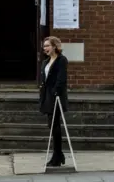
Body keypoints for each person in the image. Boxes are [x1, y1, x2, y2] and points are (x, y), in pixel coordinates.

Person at [39, 36, 69, 167]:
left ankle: (57, 155)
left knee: (54, 125)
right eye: (44, 46)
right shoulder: (45, 62)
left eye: (47, 46)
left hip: (56, 96)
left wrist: (56, 92)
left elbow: (61, 78)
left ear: (55, 46)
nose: (45, 48)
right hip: (47, 97)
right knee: (52, 125)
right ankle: (58, 154)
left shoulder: (61, 60)